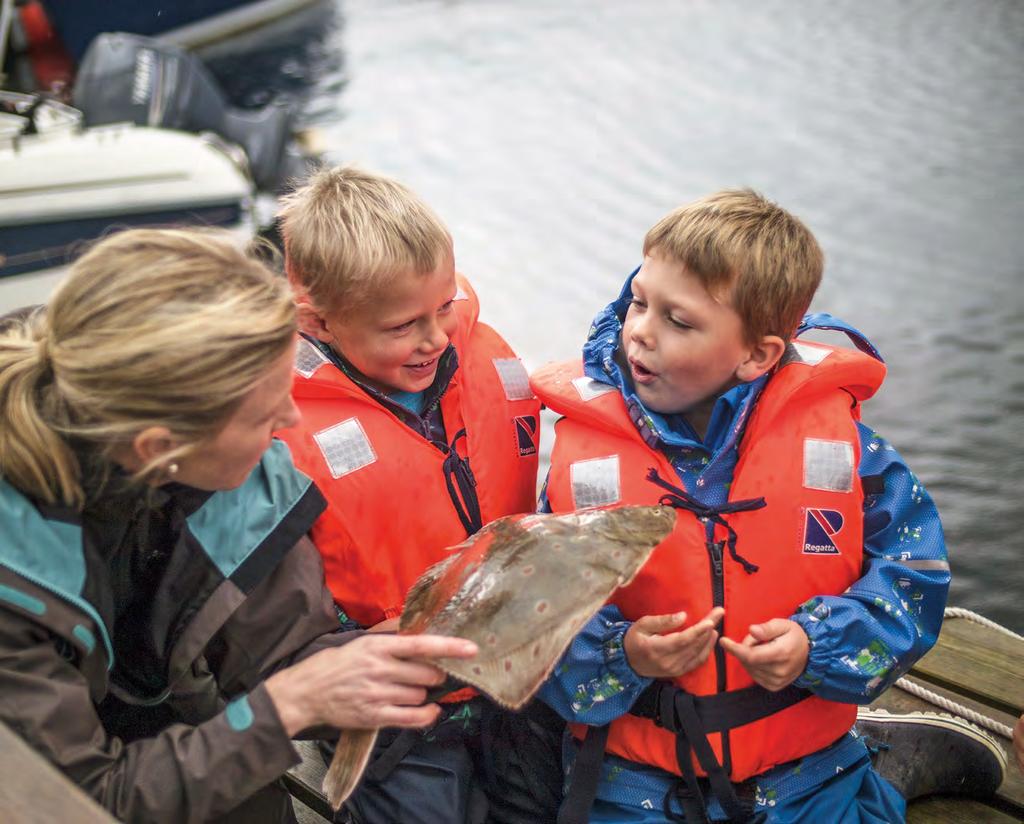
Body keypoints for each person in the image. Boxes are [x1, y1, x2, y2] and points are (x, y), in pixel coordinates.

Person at [0, 227, 478, 824]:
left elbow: (283, 654)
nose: (291, 417)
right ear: (160, 446)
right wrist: (290, 705)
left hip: (192, 755)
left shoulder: (233, 475)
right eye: (263, 413)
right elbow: (79, 801)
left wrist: (415, 654)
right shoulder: (14, 583)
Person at [530, 190, 954, 823]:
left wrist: (819, 646)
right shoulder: (587, 463)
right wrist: (626, 654)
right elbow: (535, 607)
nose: (640, 330)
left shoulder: (847, 452)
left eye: (680, 321)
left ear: (758, 354)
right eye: (639, 302)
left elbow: (916, 573)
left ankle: (880, 767)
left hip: (809, 774)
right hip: (634, 778)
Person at [274, 166, 563, 823]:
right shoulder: (279, 430)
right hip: (396, 720)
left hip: (515, 685)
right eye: (404, 325)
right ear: (316, 320)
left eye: (444, 309)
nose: (434, 338)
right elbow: (273, 614)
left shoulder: (480, 358)